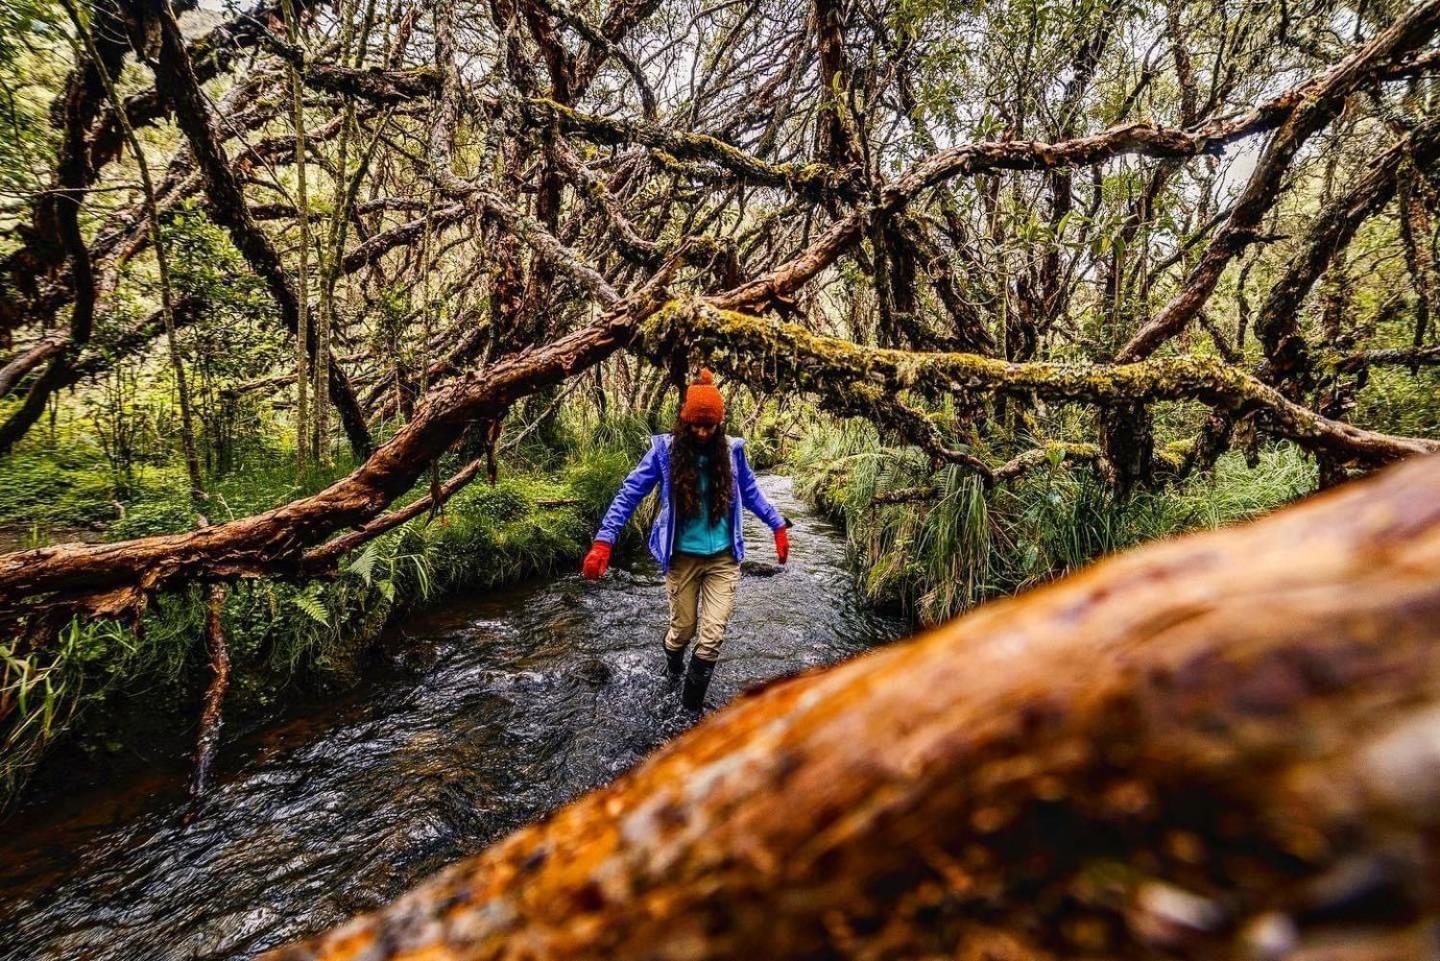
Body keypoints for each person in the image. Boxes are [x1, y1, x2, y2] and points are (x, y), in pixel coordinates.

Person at [581, 369, 791, 709]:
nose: (703, 432)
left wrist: (777, 525)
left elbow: (751, 493)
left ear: (720, 423)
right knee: (683, 631)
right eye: (697, 425)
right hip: (681, 558)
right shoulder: (665, 451)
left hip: (724, 559)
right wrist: (604, 540)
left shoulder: (732, 450)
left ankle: (689, 716)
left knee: (711, 639)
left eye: (710, 426)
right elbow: (630, 492)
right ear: (686, 422)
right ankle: (673, 667)